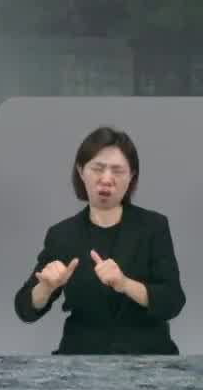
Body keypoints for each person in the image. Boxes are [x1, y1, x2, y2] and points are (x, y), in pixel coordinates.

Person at [12, 125, 187, 353]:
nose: (107, 179)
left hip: (148, 358)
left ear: (131, 176)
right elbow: (25, 309)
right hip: (80, 360)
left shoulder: (154, 227)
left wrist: (125, 284)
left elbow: (173, 301)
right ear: (81, 171)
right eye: (98, 169)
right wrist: (45, 288)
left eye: (117, 171)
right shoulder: (62, 234)